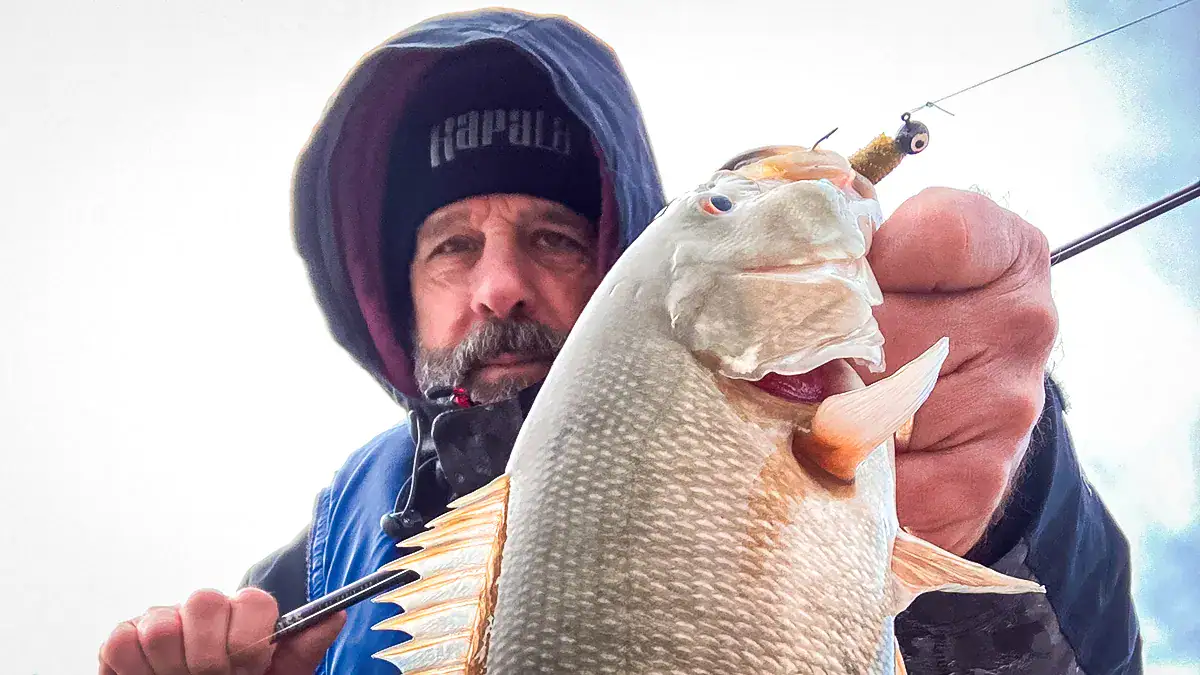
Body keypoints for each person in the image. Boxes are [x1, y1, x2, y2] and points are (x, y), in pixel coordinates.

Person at [98, 8, 1143, 675]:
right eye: (451, 247)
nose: (501, 283)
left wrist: (1008, 487)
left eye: (554, 235)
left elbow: (1077, 650)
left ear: (621, 271)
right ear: (390, 298)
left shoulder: (830, 410)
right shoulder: (311, 572)